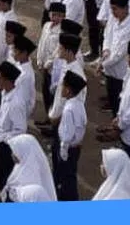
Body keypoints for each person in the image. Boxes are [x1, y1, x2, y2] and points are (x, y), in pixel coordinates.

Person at [0, 62, 28, 192]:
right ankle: (1, 195)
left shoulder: (16, 102)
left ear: (6, 80)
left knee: (7, 176)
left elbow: (20, 129)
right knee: (1, 174)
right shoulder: (5, 93)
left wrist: (4, 139)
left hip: (6, 145)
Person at [99, 0, 130, 114]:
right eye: (111, 8)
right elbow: (107, 36)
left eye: (116, 8)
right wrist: (105, 50)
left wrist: (102, 64)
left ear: (125, 9)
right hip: (109, 68)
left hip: (121, 72)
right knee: (112, 98)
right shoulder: (114, 20)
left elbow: (120, 53)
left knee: (119, 103)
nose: (113, 12)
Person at [53, 71, 87, 201]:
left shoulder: (69, 109)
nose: (61, 88)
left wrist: (63, 151)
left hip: (68, 148)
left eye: (63, 86)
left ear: (68, 90)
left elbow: (67, 134)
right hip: (75, 147)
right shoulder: (79, 105)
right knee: (70, 175)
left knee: (65, 178)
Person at [1, 134, 56, 202]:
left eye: (15, 151)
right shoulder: (18, 168)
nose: (12, 154)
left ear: (25, 153)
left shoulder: (36, 190)